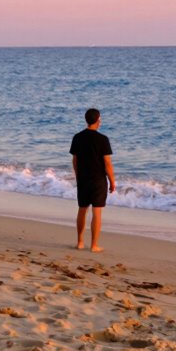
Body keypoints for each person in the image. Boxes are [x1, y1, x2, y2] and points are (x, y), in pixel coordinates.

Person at [69, 108, 115, 252]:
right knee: (97, 212)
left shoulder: (77, 137)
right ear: (98, 120)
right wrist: (112, 181)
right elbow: (107, 164)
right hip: (98, 180)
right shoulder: (102, 139)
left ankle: (80, 242)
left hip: (83, 178)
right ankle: (94, 245)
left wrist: (78, 175)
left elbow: (75, 160)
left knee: (82, 210)